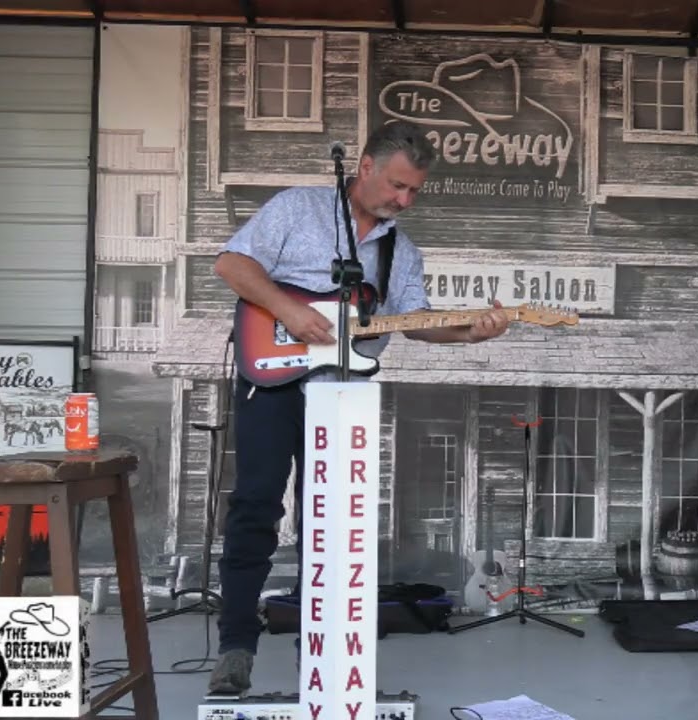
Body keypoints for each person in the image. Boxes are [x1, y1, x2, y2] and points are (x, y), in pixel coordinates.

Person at [207, 120, 510, 696]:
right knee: (255, 507)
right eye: (397, 185)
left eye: (414, 191)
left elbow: (417, 324)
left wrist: (472, 333)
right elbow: (232, 265)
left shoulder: (402, 251)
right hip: (271, 378)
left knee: (331, 522)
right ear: (364, 166)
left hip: (343, 392)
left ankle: (316, 654)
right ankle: (236, 646)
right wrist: (290, 313)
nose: (404, 199)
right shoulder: (299, 209)